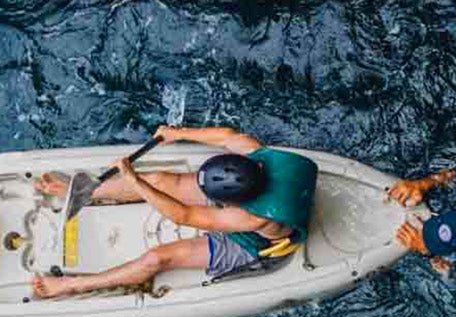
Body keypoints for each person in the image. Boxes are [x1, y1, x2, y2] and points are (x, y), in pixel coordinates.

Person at [30, 125, 316, 299]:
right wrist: (176, 134)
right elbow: (227, 136)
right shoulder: (259, 156)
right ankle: (84, 191)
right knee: (161, 182)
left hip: (257, 243)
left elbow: (184, 216)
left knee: (157, 258)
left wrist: (134, 181)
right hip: (260, 197)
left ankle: (70, 285)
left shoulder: (250, 217)